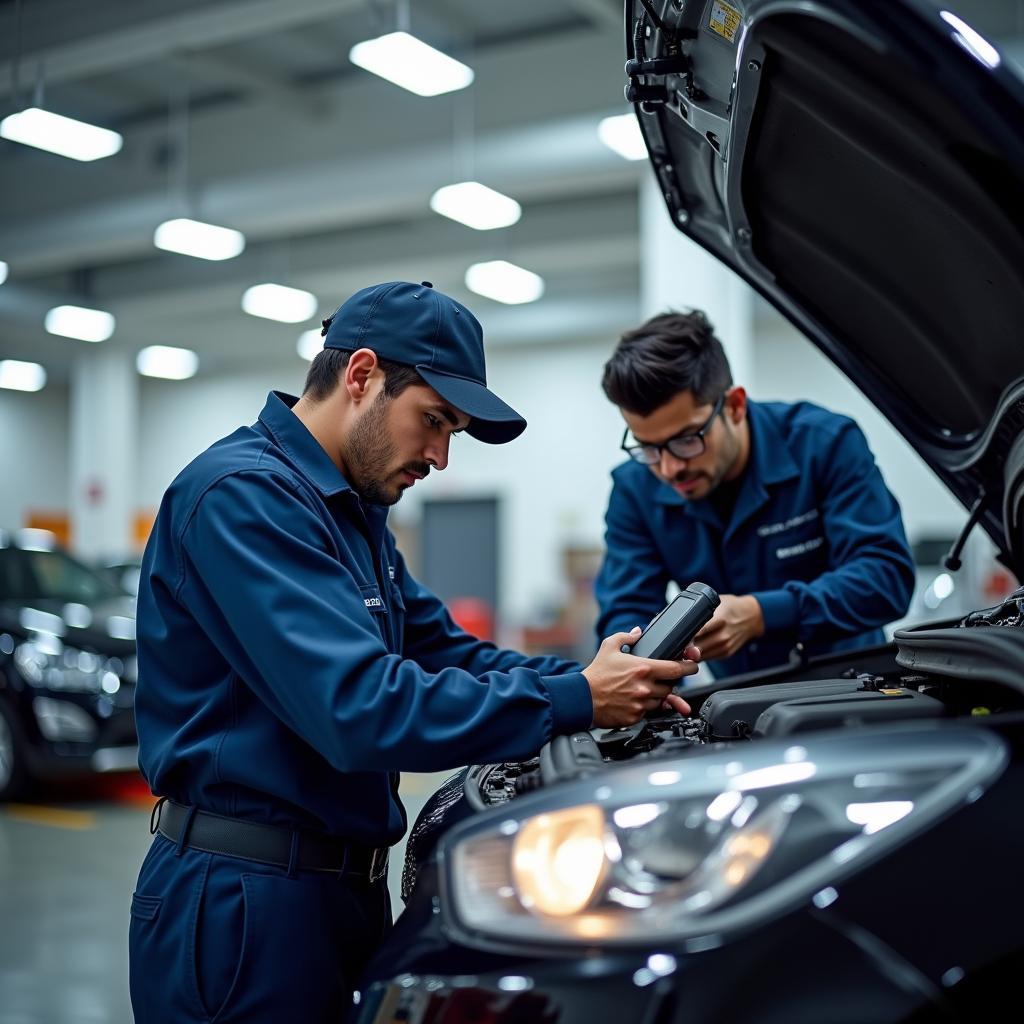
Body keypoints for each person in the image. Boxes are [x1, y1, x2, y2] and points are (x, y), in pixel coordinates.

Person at [128, 281, 700, 1024]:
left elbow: (448, 654)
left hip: (339, 893)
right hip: (246, 901)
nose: (439, 455)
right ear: (361, 375)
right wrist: (578, 700)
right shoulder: (243, 498)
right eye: (433, 420)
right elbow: (360, 709)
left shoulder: (354, 515)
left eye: (453, 431)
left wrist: (601, 677)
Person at [595, 309, 915, 678]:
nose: (669, 468)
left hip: (851, 691)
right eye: (648, 447)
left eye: (686, 440)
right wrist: (641, 671)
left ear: (734, 406)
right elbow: (626, 609)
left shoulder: (823, 444)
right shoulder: (635, 488)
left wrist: (762, 614)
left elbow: (885, 578)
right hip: (734, 707)